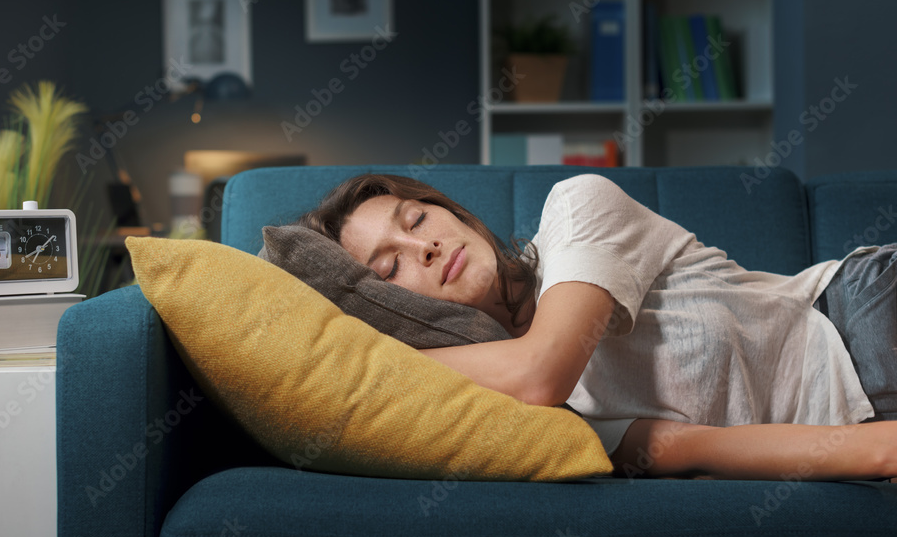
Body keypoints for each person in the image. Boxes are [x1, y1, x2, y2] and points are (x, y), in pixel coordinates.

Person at [295, 172, 897, 483]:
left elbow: (542, 372)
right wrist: (874, 451)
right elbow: (690, 453)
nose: (422, 245)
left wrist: (364, 358)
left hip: (859, 317)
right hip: (862, 415)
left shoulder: (576, 213)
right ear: (387, 308)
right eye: (390, 265)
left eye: (417, 217)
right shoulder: (522, 422)